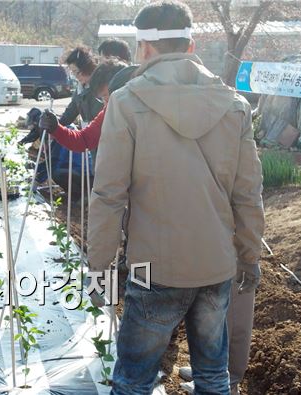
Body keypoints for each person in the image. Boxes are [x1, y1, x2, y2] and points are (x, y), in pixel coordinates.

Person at [87, 2, 264, 394]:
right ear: (191, 44)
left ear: (145, 48)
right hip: (217, 265)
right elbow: (248, 194)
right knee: (213, 374)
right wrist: (249, 255)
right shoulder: (234, 103)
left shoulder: (127, 102)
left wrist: (99, 267)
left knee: (133, 378)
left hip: (155, 267)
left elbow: (108, 195)